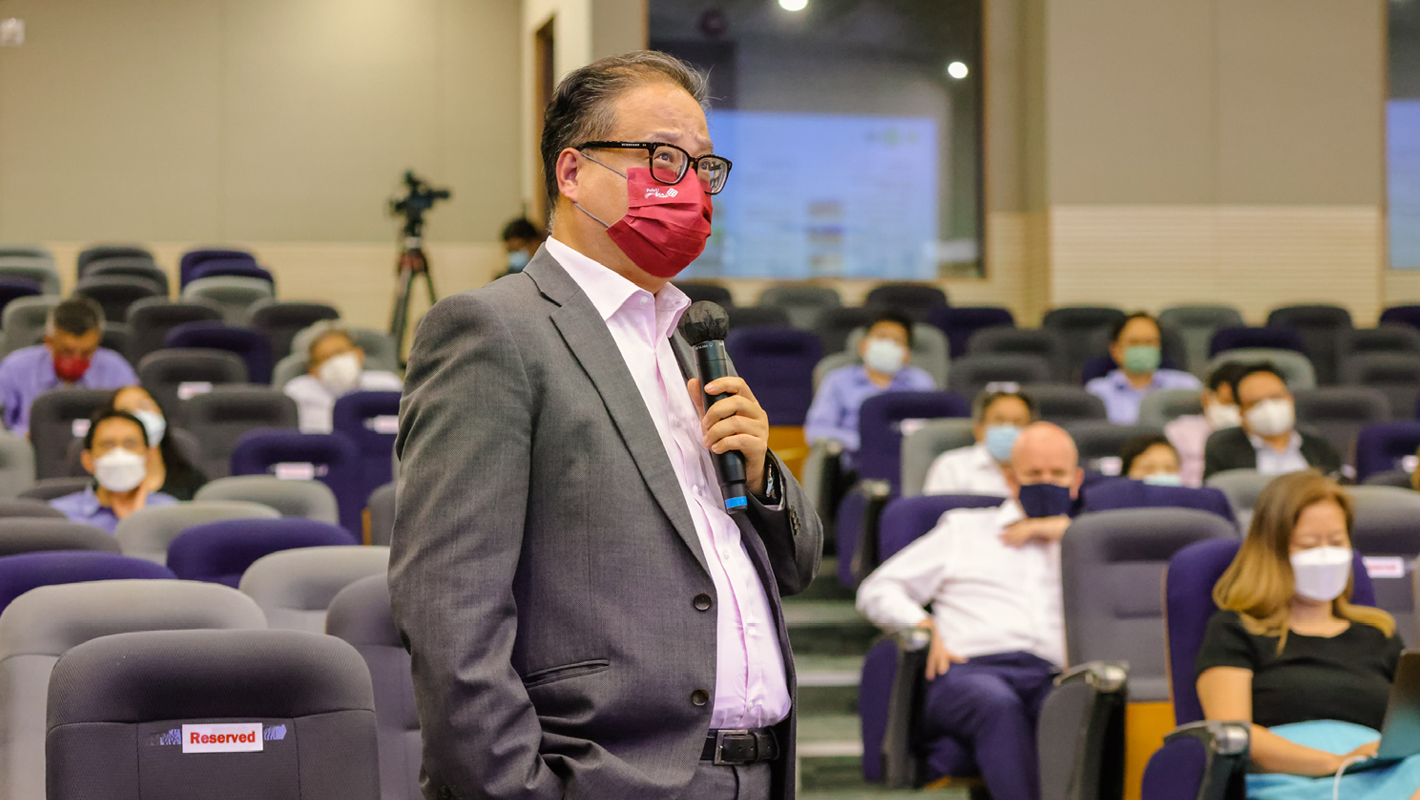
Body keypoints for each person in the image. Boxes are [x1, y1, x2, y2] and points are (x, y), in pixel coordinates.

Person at [388, 51, 822, 800]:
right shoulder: (493, 331)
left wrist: (761, 474)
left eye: (701, 164)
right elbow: (448, 604)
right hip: (604, 776)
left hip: (757, 771)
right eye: (660, 157)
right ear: (571, 172)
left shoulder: (694, 340)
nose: (686, 184)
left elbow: (799, 563)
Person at [856, 423, 1083, 800]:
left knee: (1074, 710)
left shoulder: (1087, 542)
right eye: (1034, 474)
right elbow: (877, 589)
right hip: (968, 672)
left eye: (1057, 474)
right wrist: (922, 624)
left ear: (1076, 480)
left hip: (1050, 674)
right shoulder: (964, 530)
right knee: (996, 704)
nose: (1046, 482)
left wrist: (1071, 533)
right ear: (1011, 480)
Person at [1196, 471, 1420, 798]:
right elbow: (1233, 733)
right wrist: (1334, 761)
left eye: (1337, 542)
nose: (1326, 555)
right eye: (1309, 544)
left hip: (1382, 772)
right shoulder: (1235, 629)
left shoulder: (1379, 632)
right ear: (1272, 551)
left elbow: (1406, 731)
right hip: (1289, 779)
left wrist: (1365, 758)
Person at [803, 309, 936, 465]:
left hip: (906, 464)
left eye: (897, 341)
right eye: (882, 337)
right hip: (853, 465)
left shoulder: (921, 382)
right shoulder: (838, 381)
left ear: (907, 354)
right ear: (863, 345)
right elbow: (816, 431)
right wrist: (865, 442)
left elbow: (931, 430)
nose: (888, 345)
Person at [0, 296, 136, 436]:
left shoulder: (117, 369)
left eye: (86, 352)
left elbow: (137, 421)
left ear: (98, 342)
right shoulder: (15, 368)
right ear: (48, 341)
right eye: (67, 352)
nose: (76, 359)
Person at [1202, 364, 1341, 480]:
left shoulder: (1319, 448)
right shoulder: (1223, 453)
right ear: (1241, 413)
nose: (1268, 408)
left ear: (1290, 399)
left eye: (1275, 398)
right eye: (1255, 403)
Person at [49, 410, 177, 533]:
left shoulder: (169, 512)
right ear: (88, 460)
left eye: (130, 444)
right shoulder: (58, 516)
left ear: (148, 457)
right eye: (108, 445)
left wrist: (133, 522)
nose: (119, 454)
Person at [282, 322, 402, 433]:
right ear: (313, 370)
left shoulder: (388, 384)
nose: (334, 361)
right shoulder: (298, 392)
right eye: (325, 358)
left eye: (340, 353)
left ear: (359, 354)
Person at [1085, 312, 1201, 425]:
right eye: (1134, 343)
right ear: (1115, 350)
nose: (1142, 349)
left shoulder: (1187, 386)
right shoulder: (1097, 393)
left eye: (1149, 342)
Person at [921, 388, 1037, 497]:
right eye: (999, 421)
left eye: (1018, 422)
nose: (1008, 429)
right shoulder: (951, 467)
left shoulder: (1044, 470)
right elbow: (934, 516)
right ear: (979, 428)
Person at [99, 385, 208, 501]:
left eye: (144, 406)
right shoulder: (103, 486)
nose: (138, 416)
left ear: (160, 412)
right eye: (126, 412)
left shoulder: (193, 481)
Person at [1165, 362, 1248, 487]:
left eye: (1239, 403)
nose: (1234, 409)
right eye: (1227, 402)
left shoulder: (1257, 436)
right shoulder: (1177, 432)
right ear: (1206, 398)